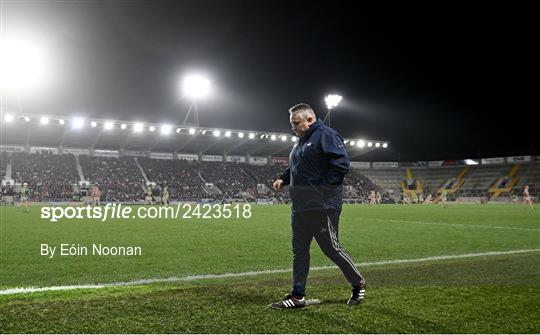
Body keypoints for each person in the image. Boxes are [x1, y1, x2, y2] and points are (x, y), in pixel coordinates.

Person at [271, 103, 366, 309]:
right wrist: (283, 178)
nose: (293, 127)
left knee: (331, 249)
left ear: (309, 120)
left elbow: (340, 164)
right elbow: (296, 167)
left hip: (321, 206)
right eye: (292, 124)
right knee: (300, 251)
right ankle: (298, 296)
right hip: (300, 207)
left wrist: (321, 191)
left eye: (296, 123)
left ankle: (358, 283)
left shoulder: (326, 135)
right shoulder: (300, 143)